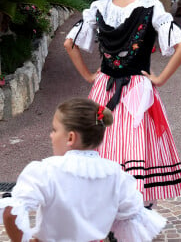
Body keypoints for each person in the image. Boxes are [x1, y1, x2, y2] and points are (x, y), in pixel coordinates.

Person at [64, 0, 181, 203]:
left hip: (103, 89)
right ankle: (133, 206)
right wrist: (160, 79)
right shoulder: (151, 6)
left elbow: (69, 44)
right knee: (135, 147)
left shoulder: (100, 6)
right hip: (137, 90)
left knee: (104, 145)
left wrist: (90, 76)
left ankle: (105, 205)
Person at [0, 98, 167, 242]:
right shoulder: (115, 174)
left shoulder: (46, 171)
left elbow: (11, 212)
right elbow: (133, 218)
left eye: (55, 130)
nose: (51, 136)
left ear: (71, 137)